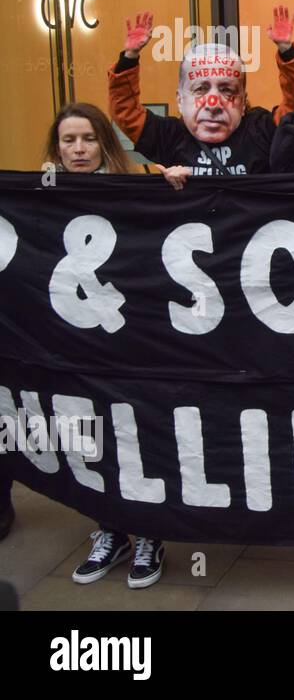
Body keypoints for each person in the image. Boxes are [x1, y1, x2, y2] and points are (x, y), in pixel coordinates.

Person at [31, 103, 167, 585]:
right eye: (68, 140)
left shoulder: (133, 191)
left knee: (136, 435)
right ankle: (111, 530)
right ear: (56, 147)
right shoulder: (39, 199)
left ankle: (150, 532)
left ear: (103, 144)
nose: (78, 149)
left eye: (87, 138)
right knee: (95, 438)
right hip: (76, 345)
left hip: (132, 342)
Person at [108, 6, 294, 188]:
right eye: (200, 89)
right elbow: (126, 112)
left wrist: (287, 52)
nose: (213, 104)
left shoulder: (260, 131)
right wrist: (129, 59)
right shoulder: (169, 137)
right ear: (180, 100)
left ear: (242, 102)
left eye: (227, 90)